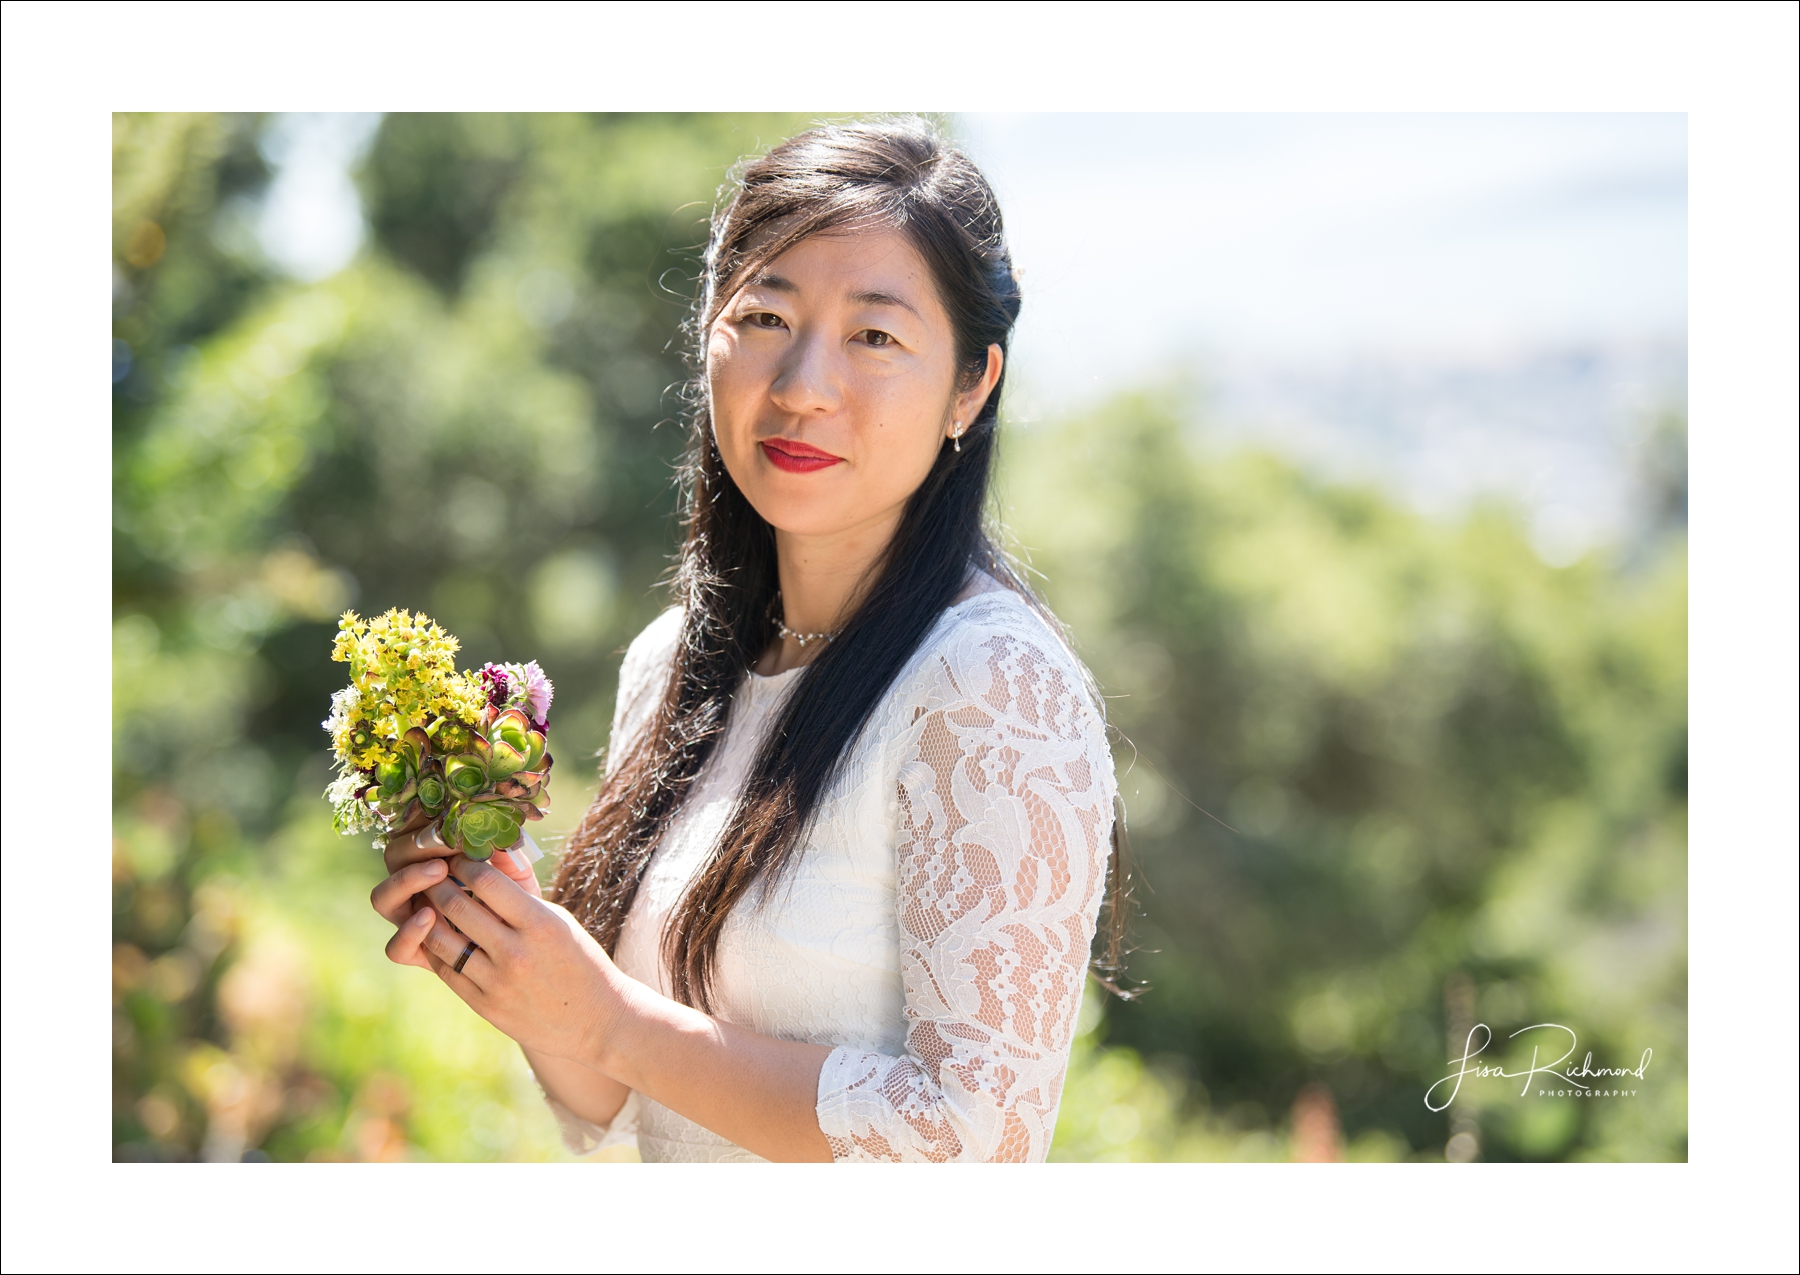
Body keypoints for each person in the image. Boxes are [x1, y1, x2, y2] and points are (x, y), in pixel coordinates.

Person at [370, 116, 1127, 1163]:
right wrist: (510, 941)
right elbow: (625, 1104)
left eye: (875, 336)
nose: (802, 385)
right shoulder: (669, 664)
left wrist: (611, 1021)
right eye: (765, 315)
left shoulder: (990, 685)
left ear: (971, 386)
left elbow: (978, 1140)